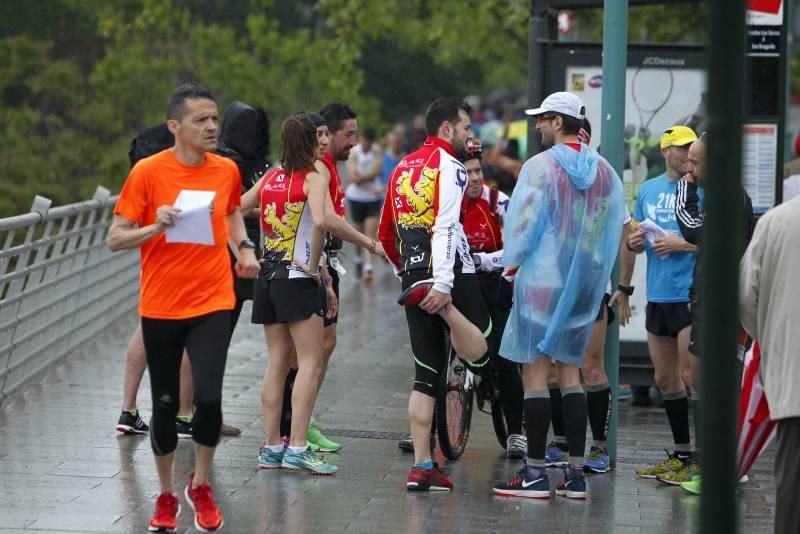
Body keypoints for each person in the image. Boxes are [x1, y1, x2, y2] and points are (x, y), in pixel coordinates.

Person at [107, 82, 260, 532]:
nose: (212, 126)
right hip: (161, 305)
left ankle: (202, 484)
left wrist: (245, 248)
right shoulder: (148, 174)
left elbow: (232, 213)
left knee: (208, 401)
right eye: (201, 120)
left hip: (213, 299)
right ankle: (167, 495)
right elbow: (115, 237)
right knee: (166, 406)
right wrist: (153, 226)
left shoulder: (226, 170)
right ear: (176, 126)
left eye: (214, 118)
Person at [492, 91, 624, 500]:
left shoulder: (540, 167)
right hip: (583, 284)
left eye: (542, 120)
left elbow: (522, 226)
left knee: (534, 373)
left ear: (556, 121)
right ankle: (575, 475)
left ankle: (533, 474)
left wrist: (509, 264)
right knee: (571, 374)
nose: (537, 127)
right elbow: (613, 224)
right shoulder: (604, 171)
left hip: (543, 282)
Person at [379, 97, 491, 492]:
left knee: (424, 376)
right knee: (483, 348)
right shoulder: (452, 167)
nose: (469, 136)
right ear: (447, 129)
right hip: (446, 272)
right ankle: (452, 321)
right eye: (465, 128)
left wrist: (405, 275)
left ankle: (422, 466)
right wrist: (443, 287)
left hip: (412, 276)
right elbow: (445, 227)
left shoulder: (400, 167)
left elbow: (385, 233)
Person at [278, 109, 387, 453]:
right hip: (306, 268)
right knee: (303, 353)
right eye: (347, 135)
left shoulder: (327, 169)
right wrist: (369, 245)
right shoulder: (319, 170)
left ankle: (298, 423)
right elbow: (326, 219)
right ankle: (295, 428)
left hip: (317, 266)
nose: (352, 142)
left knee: (322, 345)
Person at [242, 114, 337, 475]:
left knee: (277, 363)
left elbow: (237, 206)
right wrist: (313, 267)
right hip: (297, 278)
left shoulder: (270, 178)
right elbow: (322, 221)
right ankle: (297, 446)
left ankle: (271, 447)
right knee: (310, 363)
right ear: (311, 141)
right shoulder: (312, 178)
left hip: (267, 276)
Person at [544, 119, 638, 476]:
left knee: (590, 366)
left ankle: (599, 447)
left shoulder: (603, 175)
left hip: (589, 290)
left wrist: (624, 286)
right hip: (553, 286)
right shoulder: (549, 171)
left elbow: (627, 232)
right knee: (552, 369)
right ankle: (562, 440)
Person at [673, 132, 754, 494]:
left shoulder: (729, 197)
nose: (689, 167)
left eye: (695, 161)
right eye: (688, 160)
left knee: (710, 380)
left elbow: (690, 228)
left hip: (722, 304)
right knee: (696, 376)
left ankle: (723, 463)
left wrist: (685, 188)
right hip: (708, 296)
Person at [627, 125, 701, 485]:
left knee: (692, 376)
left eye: (692, 147)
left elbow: (719, 240)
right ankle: (683, 454)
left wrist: (681, 244)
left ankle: (707, 458)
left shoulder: (701, 188)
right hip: (657, 294)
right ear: (665, 151)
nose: (688, 153)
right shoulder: (648, 189)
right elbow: (635, 242)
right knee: (665, 378)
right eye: (681, 147)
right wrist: (637, 241)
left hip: (690, 294)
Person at [460, 138, 526, 459]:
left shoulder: (499, 201)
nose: (473, 179)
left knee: (505, 356)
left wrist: (487, 260)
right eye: (467, 173)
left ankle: (516, 430)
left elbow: (520, 243)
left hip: (496, 281)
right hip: (463, 282)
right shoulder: (450, 203)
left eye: (477, 172)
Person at [740, 194, 800, 534]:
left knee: (793, 487)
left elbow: (745, 294)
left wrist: (771, 340)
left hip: (793, 379)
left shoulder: (777, 221)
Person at [346, 126, 384, 282]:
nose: (367, 145)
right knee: (358, 232)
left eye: (369, 143)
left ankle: (369, 268)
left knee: (370, 232)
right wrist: (365, 178)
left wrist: (361, 177)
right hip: (356, 198)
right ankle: (357, 258)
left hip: (373, 198)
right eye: (365, 142)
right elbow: (352, 177)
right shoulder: (354, 152)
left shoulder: (377, 150)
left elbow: (375, 172)